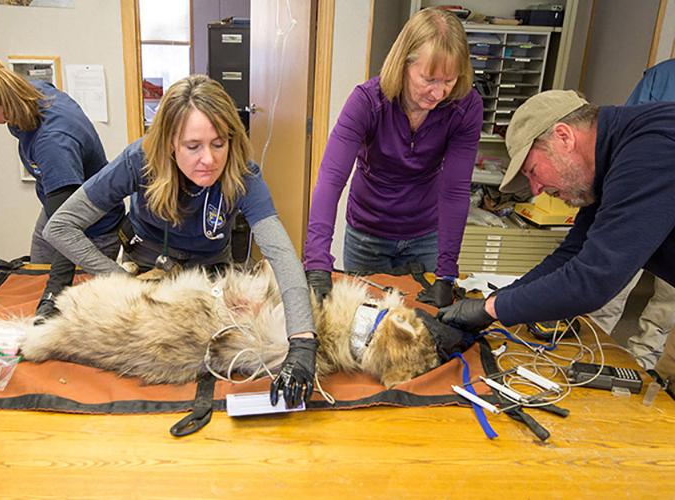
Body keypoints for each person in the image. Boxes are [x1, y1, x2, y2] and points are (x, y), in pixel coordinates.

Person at [43, 74, 317, 408]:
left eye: (219, 144)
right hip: (144, 272)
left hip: (211, 278)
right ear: (170, 142)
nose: (209, 160)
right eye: (193, 146)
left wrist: (303, 342)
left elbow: (282, 254)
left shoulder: (243, 174)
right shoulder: (139, 161)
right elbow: (60, 227)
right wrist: (118, 279)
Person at [436, 90, 675, 359]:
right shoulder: (608, 161)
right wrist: (497, 299)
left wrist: (492, 310)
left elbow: (593, 279)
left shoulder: (650, 150)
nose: (536, 189)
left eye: (533, 171)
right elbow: (572, 253)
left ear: (564, 137)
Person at [303, 7, 483, 308]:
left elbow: (455, 190)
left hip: (426, 234)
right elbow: (332, 179)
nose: (438, 93)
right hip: (368, 235)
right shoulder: (367, 101)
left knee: (422, 324)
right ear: (404, 63)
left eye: (449, 81)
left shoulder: (465, 107)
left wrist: (446, 272)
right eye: (429, 79)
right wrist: (317, 262)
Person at [0, 49, 124, 319]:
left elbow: (67, 228)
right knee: (31, 284)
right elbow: (59, 213)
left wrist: (53, 295)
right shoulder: (25, 92)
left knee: (75, 312)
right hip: (56, 206)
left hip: (90, 228)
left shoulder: (53, 141)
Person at [587, 58, 675, 370]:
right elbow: (625, 137)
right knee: (609, 286)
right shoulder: (662, 76)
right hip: (641, 201)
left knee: (666, 306)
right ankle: (587, 354)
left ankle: (643, 367)